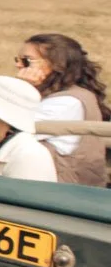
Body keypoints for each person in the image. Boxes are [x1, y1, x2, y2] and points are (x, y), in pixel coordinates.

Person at [16, 33, 108, 187]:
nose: (18, 65)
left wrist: (22, 88)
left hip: (60, 190)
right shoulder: (51, 94)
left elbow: (9, 129)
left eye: (26, 61)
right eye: (17, 60)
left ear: (56, 65)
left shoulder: (67, 102)